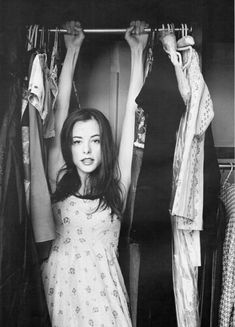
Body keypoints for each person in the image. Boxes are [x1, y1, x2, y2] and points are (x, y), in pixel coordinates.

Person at [41, 20, 149, 327]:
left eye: (95, 140)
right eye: (77, 142)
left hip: (105, 298)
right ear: (69, 147)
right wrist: (71, 51)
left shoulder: (117, 189)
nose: (86, 150)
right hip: (60, 295)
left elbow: (132, 117)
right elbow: (60, 110)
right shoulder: (58, 180)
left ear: (104, 146)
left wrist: (137, 52)